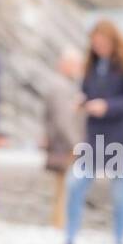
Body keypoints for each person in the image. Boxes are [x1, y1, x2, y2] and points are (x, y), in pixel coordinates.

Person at [59, 19, 123, 244]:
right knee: (74, 184)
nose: (98, 48)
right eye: (95, 44)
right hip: (96, 137)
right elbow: (88, 91)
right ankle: (69, 239)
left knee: (119, 191)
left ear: (113, 41)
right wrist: (82, 100)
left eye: (102, 43)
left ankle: (119, 242)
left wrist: (107, 106)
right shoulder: (93, 64)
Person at [42, 46, 85, 229]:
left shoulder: (62, 85)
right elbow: (62, 120)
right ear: (65, 64)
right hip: (64, 145)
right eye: (75, 64)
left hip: (60, 142)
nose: (78, 68)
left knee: (62, 188)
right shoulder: (60, 86)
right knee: (65, 189)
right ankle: (60, 225)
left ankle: (59, 224)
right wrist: (76, 144)